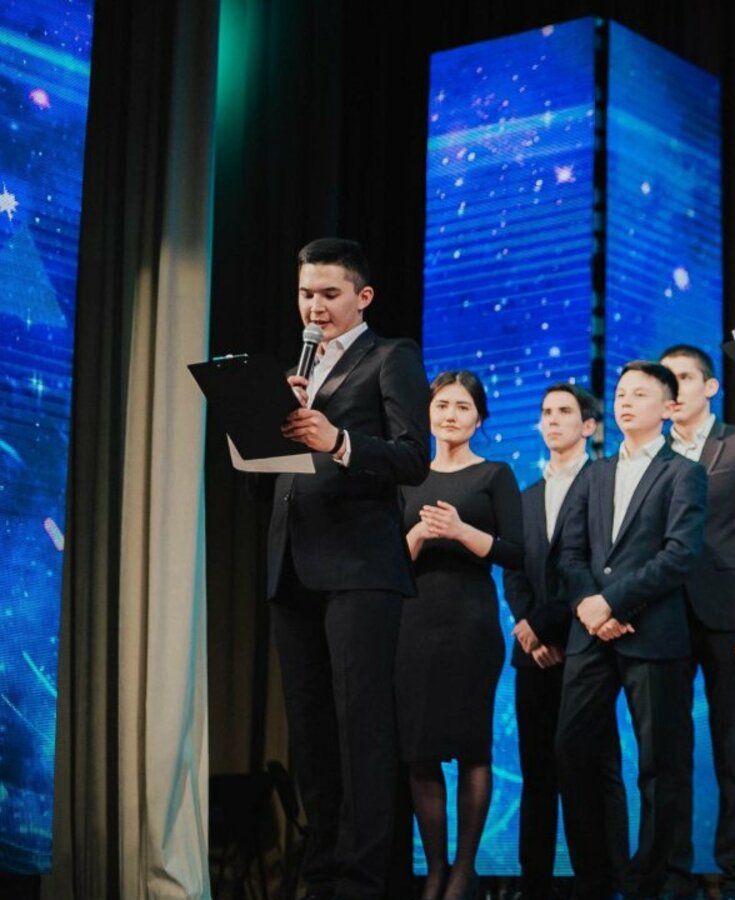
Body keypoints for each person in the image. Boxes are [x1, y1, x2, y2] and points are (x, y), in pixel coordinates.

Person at [270, 237, 430, 899]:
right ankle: (319, 875)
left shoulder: (391, 357)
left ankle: (363, 881)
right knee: (310, 733)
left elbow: (412, 458)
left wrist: (337, 440)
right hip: (293, 564)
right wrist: (262, 427)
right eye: (306, 294)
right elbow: (271, 477)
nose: (316, 307)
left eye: (329, 294)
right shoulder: (295, 372)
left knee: (361, 729)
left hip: (360, 568)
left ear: (362, 296)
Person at [556, 361, 708, 900]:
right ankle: (597, 878)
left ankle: (655, 881)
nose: (624, 402)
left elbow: (680, 554)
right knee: (572, 751)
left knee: (659, 765)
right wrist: (589, 605)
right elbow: (569, 552)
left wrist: (613, 601)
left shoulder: (683, 472)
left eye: (640, 394)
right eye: (621, 393)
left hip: (654, 633)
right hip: (591, 634)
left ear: (669, 408)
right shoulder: (593, 473)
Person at [659, 344, 735, 900]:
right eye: (667, 380)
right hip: (664, 617)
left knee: (733, 751)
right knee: (668, 751)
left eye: (685, 378)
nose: (675, 389)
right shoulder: (654, 454)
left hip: (730, 618)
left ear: (710, 387)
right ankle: (673, 872)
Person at [397, 370, 523, 900]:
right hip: (412, 624)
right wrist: (418, 535)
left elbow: (516, 552)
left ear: (479, 418)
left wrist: (461, 531)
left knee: (472, 747)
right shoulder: (406, 478)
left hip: (471, 623)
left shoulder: (494, 474)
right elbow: (387, 561)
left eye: (462, 407)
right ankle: (434, 870)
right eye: (442, 405)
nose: (450, 415)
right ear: (428, 413)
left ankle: (464, 872)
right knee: (419, 750)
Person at [501, 383, 627, 900]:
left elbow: (590, 570)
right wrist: (527, 625)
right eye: (546, 412)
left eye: (564, 412)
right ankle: (533, 884)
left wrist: (546, 625)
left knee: (593, 769)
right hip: (532, 653)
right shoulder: (526, 495)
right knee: (537, 775)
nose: (552, 420)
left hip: (586, 645)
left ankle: (603, 883)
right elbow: (514, 567)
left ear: (589, 425)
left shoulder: (605, 485)